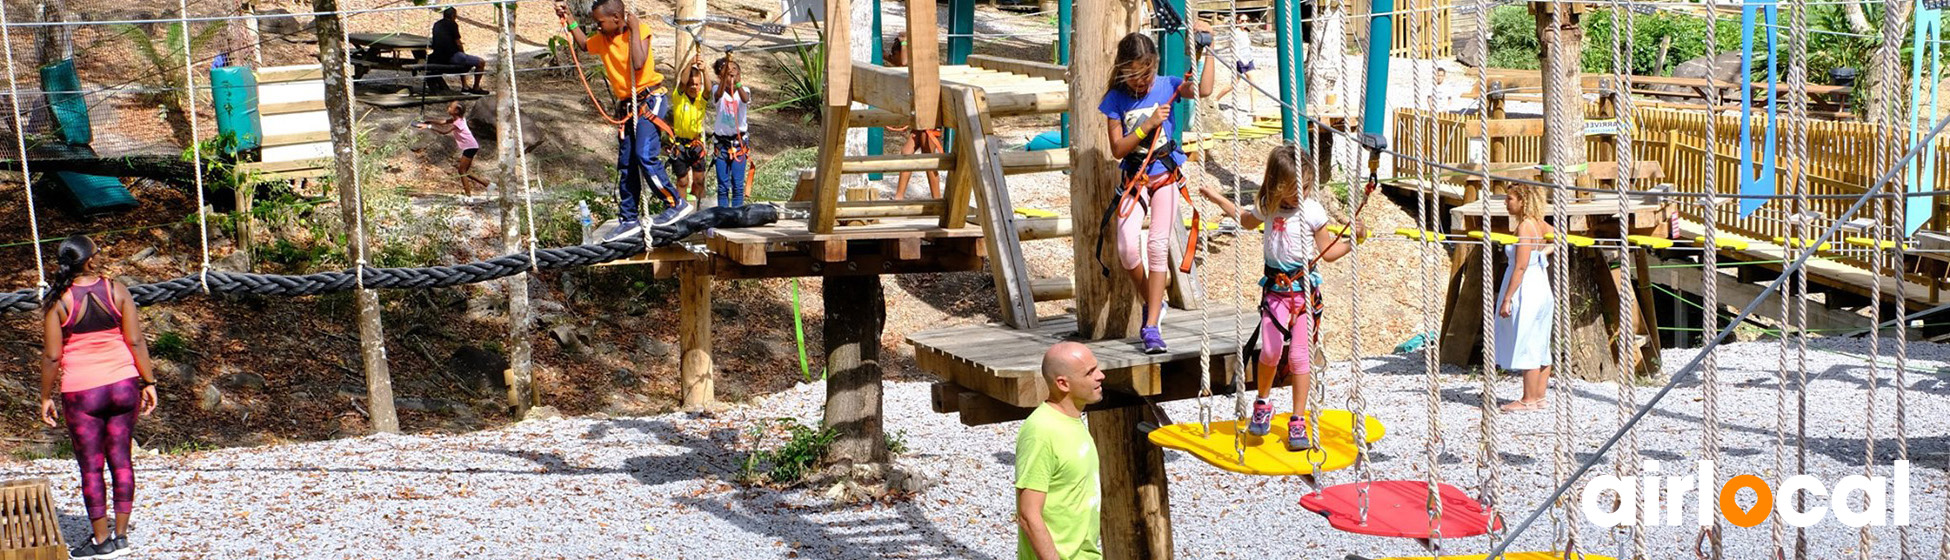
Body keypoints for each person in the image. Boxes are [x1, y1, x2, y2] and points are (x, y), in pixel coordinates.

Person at [1197, 144, 1358, 451]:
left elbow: (1328, 253)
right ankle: (1263, 402)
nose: (1300, 195)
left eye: (1306, 187)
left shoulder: (1312, 211)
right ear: (1276, 185)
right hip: (1276, 293)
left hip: (1304, 295)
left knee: (1299, 357)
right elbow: (1245, 220)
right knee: (1270, 352)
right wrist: (1218, 198)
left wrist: (1353, 241)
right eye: (1293, 189)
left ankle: (1298, 419)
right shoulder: (1268, 206)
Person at [38, 235, 159, 559]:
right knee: (121, 460)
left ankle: (101, 541)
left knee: (91, 467)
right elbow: (135, 341)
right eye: (98, 252)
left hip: (82, 393)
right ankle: (120, 536)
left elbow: (52, 357)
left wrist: (45, 396)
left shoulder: (58, 302)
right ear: (89, 261)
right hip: (122, 386)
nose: (101, 255)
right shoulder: (115, 290)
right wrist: (148, 381)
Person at [1097, 26, 1216, 354]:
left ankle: (1150, 326)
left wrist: (1206, 50)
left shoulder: (1167, 85)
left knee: (1157, 245)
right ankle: (1155, 303)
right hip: (1135, 179)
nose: (1143, 82)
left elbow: (1203, 90)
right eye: (1136, 76)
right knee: (1126, 249)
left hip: (1165, 177)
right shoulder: (1115, 101)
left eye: (1147, 74)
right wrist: (1148, 124)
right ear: (1124, 72)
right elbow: (1119, 149)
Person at [556, 0, 688, 239]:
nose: (596, 27)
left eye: (600, 23)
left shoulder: (640, 31)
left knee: (644, 154)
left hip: (649, 100)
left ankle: (675, 202)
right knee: (626, 163)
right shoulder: (604, 40)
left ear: (617, 18)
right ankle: (628, 218)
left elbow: (638, 63)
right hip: (628, 107)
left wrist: (635, 27)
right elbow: (584, 45)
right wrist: (569, 18)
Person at [1015, 342, 1105, 560]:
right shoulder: (1041, 432)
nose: (1101, 376)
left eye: (1097, 368)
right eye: (1090, 372)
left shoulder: (1071, 421)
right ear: (1063, 384)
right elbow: (1028, 514)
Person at [1495, 185, 1556, 412]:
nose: (1506, 203)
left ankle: (1528, 399)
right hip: (1540, 284)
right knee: (1540, 340)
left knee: (1528, 338)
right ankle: (1539, 396)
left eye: (1509, 199)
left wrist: (1507, 298)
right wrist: (1541, 254)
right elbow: (1561, 237)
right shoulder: (1540, 224)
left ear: (1523, 201)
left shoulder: (1524, 227)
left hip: (1526, 287)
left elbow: (1520, 267)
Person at [885, 32, 942, 200]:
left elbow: (902, 62)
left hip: (929, 118)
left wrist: (904, 43)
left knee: (928, 158)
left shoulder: (916, 63)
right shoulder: (913, 65)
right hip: (920, 119)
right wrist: (886, 56)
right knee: (907, 152)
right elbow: (898, 61)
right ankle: (899, 196)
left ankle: (937, 200)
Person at [412, 101, 491, 195]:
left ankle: (468, 196)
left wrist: (428, 126)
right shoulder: (457, 118)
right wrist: (429, 120)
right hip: (471, 146)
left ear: (456, 111)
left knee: (462, 171)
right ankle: (488, 185)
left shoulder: (458, 122)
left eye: (450, 107)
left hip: (470, 147)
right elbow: (443, 122)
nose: (448, 108)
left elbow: (444, 131)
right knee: (465, 171)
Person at [709, 52, 752, 208]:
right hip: (722, 145)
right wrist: (725, 74)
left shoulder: (744, 91)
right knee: (722, 185)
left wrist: (737, 83)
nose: (731, 76)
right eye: (727, 74)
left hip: (738, 144)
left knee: (737, 185)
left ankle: (737, 214)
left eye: (734, 72)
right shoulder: (716, 90)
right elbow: (719, 94)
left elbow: (746, 100)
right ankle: (723, 215)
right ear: (721, 78)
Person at [669, 55, 711, 207]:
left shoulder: (701, 99)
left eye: (697, 84)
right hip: (680, 144)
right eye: (691, 84)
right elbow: (682, 81)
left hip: (695, 144)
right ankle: (681, 208)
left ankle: (699, 209)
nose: (694, 87)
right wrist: (690, 63)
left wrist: (704, 70)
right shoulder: (679, 97)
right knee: (682, 180)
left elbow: (708, 89)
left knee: (699, 180)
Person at [430, 7, 488, 94]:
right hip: (450, 56)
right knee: (480, 62)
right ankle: (476, 87)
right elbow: (458, 42)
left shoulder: (436, 24)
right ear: (453, 16)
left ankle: (465, 85)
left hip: (438, 56)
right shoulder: (453, 24)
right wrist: (462, 51)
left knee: (463, 58)